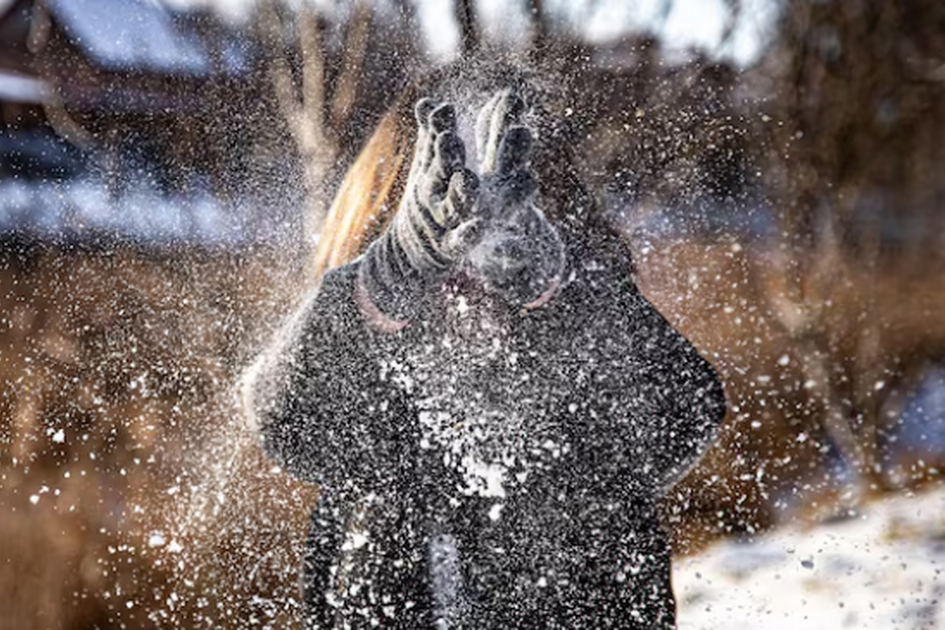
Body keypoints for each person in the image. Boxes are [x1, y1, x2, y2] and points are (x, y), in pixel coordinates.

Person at [241, 64, 726, 629]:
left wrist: (559, 294)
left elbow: (684, 415)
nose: (470, 237)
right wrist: (384, 283)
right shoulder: (366, 369)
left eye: (502, 193)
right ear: (393, 208)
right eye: (446, 195)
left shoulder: (587, 349)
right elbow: (283, 421)